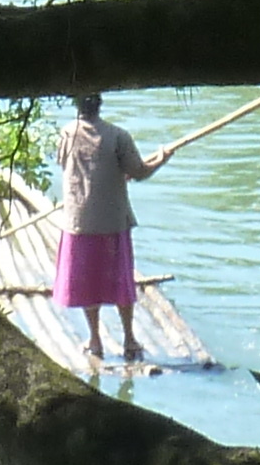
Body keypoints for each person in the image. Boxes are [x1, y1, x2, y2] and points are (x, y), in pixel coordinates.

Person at [54, 88, 175, 371]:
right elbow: (140, 172)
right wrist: (162, 158)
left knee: (86, 283)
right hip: (111, 221)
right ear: (100, 105)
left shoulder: (66, 134)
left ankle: (95, 340)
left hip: (79, 221)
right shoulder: (118, 136)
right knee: (120, 280)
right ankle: (130, 340)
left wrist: (120, 171)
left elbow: (68, 165)